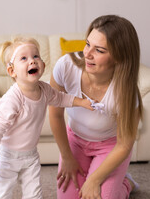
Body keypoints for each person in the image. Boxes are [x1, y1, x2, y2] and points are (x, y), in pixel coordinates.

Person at [0, 37, 93, 199]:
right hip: (7, 156)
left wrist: (81, 102)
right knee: (2, 193)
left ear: (43, 65)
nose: (32, 61)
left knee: (34, 193)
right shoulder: (13, 98)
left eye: (36, 56)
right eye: (24, 58)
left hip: (30, 156)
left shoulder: (45, 89)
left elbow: (61, 98)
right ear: (12, 71)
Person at [49, 15, 143, 199]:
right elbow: (55, 115)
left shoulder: (126, 92)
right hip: (75, 141)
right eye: (87, 44)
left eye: (99, 50)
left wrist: (94, 180)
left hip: (110, 147)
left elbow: (124, 144)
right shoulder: (65, 67)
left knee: (101, 196)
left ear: (118, 56)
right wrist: (67, 157)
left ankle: (126, 183)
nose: (87, 54)